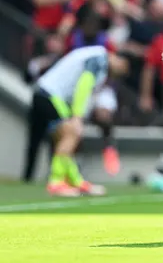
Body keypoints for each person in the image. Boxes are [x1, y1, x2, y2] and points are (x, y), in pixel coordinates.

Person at [26, 45, 128, 196]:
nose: (120, 71)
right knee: (71, 134)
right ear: (116, 56)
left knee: (67, 139)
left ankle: (75, 180)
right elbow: (84, 84)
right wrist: (77, 117)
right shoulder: (99, 58)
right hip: (50, 95)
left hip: (46, 94)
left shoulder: (96, 56)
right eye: (122, 65)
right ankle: (56, 182)